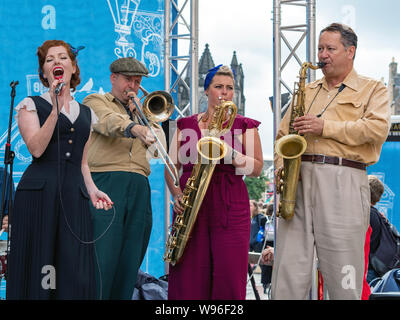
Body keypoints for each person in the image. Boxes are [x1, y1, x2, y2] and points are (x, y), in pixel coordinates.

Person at [272, 23, 391, 300]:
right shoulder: (308, 89)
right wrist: (281, 167)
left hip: (344, 178)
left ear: (350, 52)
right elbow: (282, 135)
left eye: (330, 49)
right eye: (320, 48)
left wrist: (324, 127)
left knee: (343, 273)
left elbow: (375, 130)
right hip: (299, 179)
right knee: (288, 271)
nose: (322, 55)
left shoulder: (373, 90)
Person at [7, 40, 113, 300]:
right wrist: (54, 109)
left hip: (73, 196)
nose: (56, 62)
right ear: (44, 72)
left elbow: (83, 162)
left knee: (73, 269)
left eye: (63, 57)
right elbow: (36, 149)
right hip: (38, 196)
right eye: (49, 59)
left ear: (73, 67)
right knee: (40, 264)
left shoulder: (87, 113)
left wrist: (93, 190)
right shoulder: (30, 105)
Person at [165, 64, 263, 300]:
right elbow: (170, 166)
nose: (225, 92)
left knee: (228, 277)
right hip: (192, 205)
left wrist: (231, 154)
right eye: (218, 86)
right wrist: (176, 193)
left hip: (231, 205)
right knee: (188, 278)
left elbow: (256, 169)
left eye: (230, 88)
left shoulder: (245, 125)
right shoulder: (185, 124)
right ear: (206, 91)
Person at [83, 57, 164, 300]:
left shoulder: (144, 112)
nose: (133, 86)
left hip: (139, 184)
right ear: (113, 78)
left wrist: (142, 117)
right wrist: (133, 127)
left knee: (130, 261)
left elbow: (159, 148)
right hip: (107, 181)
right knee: (102, 260)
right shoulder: (95, 100)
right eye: (128, 79)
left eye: (137, 81)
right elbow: (107, 122)